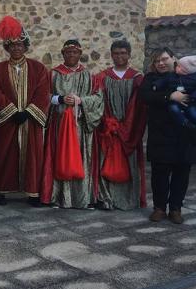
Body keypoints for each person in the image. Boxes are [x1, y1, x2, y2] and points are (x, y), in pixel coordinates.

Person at [0, 16, 51, 206]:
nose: (17, 49)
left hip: (30, 121)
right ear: (7, 48)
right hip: (7, 122)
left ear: (26, 46)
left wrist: (29, 112)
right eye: (13, 46)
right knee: (3, 154)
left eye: (20, 45)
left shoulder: (38, 68)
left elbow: (43, 91)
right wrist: (12, 112)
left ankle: (33, 193)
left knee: (33, 156)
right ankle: (1, 190)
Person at [40, 40, 104, 209]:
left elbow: (98, 98)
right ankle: (57, 197)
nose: (71, 55)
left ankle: (82, 198)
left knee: (82, 160)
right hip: (58, 126)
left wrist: (81, 100)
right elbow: (43, 97)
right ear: (63, 54)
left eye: (75, 52)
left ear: (80, 54)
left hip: (81, 127)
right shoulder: (53, 74)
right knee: (59, 158)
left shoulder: (89, 76)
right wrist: (60, 99)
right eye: (68, 52)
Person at [140, 48, 196, 224]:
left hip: (184, 135)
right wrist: (169, 96)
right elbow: (145, 96)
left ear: (174, 58)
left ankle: (175, 209)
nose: (161, 63)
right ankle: (159, 208)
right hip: (160, 134)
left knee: (182, 172)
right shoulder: (150, 79)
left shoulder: (187, 75)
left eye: (164, 59)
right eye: (157, 61)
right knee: (159, 173)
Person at [94, 40, 147, 210]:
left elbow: (140, 106)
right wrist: (109, 123)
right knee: (106, 163)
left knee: (129, 163)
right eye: (116, 53)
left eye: (123, 53)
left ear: (129, 54)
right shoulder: (103, 77)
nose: (120, 56)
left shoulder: (138, 78)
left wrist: (126, 127)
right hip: (108, 129)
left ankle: (129, 199)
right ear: (111, 55)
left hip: (130, 131)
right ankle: (106, 198)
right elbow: (98, 101)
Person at [152, 55, 196, 129]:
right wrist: (156, 85)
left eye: (180, 67)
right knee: (173, 109)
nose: (176, 68)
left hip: (189, 101)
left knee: (192, 112)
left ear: (187, 70)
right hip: (175, 101)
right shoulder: (172, 76)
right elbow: (164, 81)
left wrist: (192, 97)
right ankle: (185, 123)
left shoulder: (193, 78)